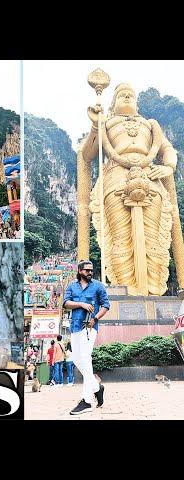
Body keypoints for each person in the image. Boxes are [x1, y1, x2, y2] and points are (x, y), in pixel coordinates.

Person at [78, 82, 182, 296]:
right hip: (116, 177)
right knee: (121, 237)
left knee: (153, 239)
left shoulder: (150, 125)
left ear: (137, 102)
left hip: (149, 176)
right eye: (122, 95)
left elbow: (168, 149)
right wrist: (96, 127)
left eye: (131, 95)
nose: (127, 98)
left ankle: (153, 289)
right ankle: (126, 290)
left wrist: (168, 167)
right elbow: (87, 154)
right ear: (114, 103)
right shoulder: (106, 123)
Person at [63, 260, 110, 415]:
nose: (90, 273)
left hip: (89, 328)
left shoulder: (98, 285)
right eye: (87, 270)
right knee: (76, 359)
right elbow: (66, 303)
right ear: (80, 271)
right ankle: (97, 387)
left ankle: (87, 401)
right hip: (75, 326)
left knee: (85, 357)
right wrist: (81, 304)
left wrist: (95, 318)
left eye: (91, 270)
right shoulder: (72, 285)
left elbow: (105, 305)